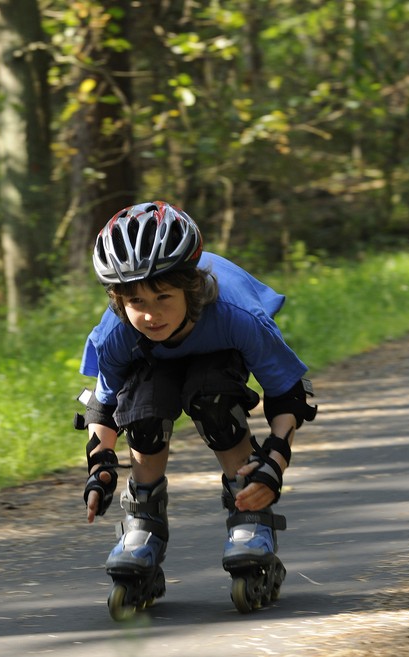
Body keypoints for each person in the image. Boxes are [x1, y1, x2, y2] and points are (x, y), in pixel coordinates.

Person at [75, 200, 316, 614]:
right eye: (136, 302)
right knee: (143, 414)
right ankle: (142, 523)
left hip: (216, 349)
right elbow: (105, 405)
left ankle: (250, 511)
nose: (151, 315)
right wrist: (100, 466)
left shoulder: (237, 315)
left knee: (213, 399)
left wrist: (274, 462)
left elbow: (289, 394)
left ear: (189, 286)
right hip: (153, 363)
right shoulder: (118, 332)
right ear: (118, 299)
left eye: (163, 297)